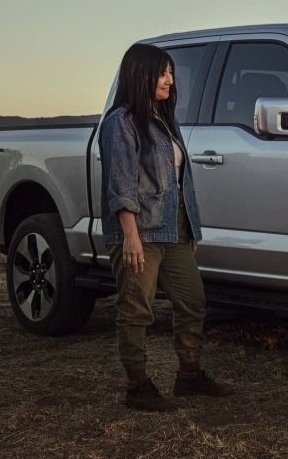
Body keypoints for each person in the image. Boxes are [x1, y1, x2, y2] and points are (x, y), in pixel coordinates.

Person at [99, 43, 233, 411]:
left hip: (173, 230)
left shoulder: (163, 120)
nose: (170, 81)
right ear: (141, 74)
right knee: (136, 309)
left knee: (193, 301)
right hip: (138, 232)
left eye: (171, 73)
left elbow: (177, 182)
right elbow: (121, 184)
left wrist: (189, 230)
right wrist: (130, 237)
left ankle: (189, 377)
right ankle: (138, 388)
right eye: (163, 73)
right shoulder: (121, 123)